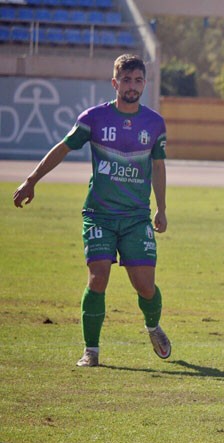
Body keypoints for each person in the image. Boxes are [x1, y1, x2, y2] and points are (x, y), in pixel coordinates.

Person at [12, 54, 171, 367]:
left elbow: (159, 166)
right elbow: (62, 147)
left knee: (145, 287)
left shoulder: (154, 123)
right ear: (114, 83)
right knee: (98, 278)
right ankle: (91, 351)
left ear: (144, 83)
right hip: (98, 215)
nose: (132, 86)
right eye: (126, 80)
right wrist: (32, 180)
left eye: (138, 80)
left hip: (136, 217)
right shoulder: (94, 118)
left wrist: (162, 208)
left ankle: (153, 326)